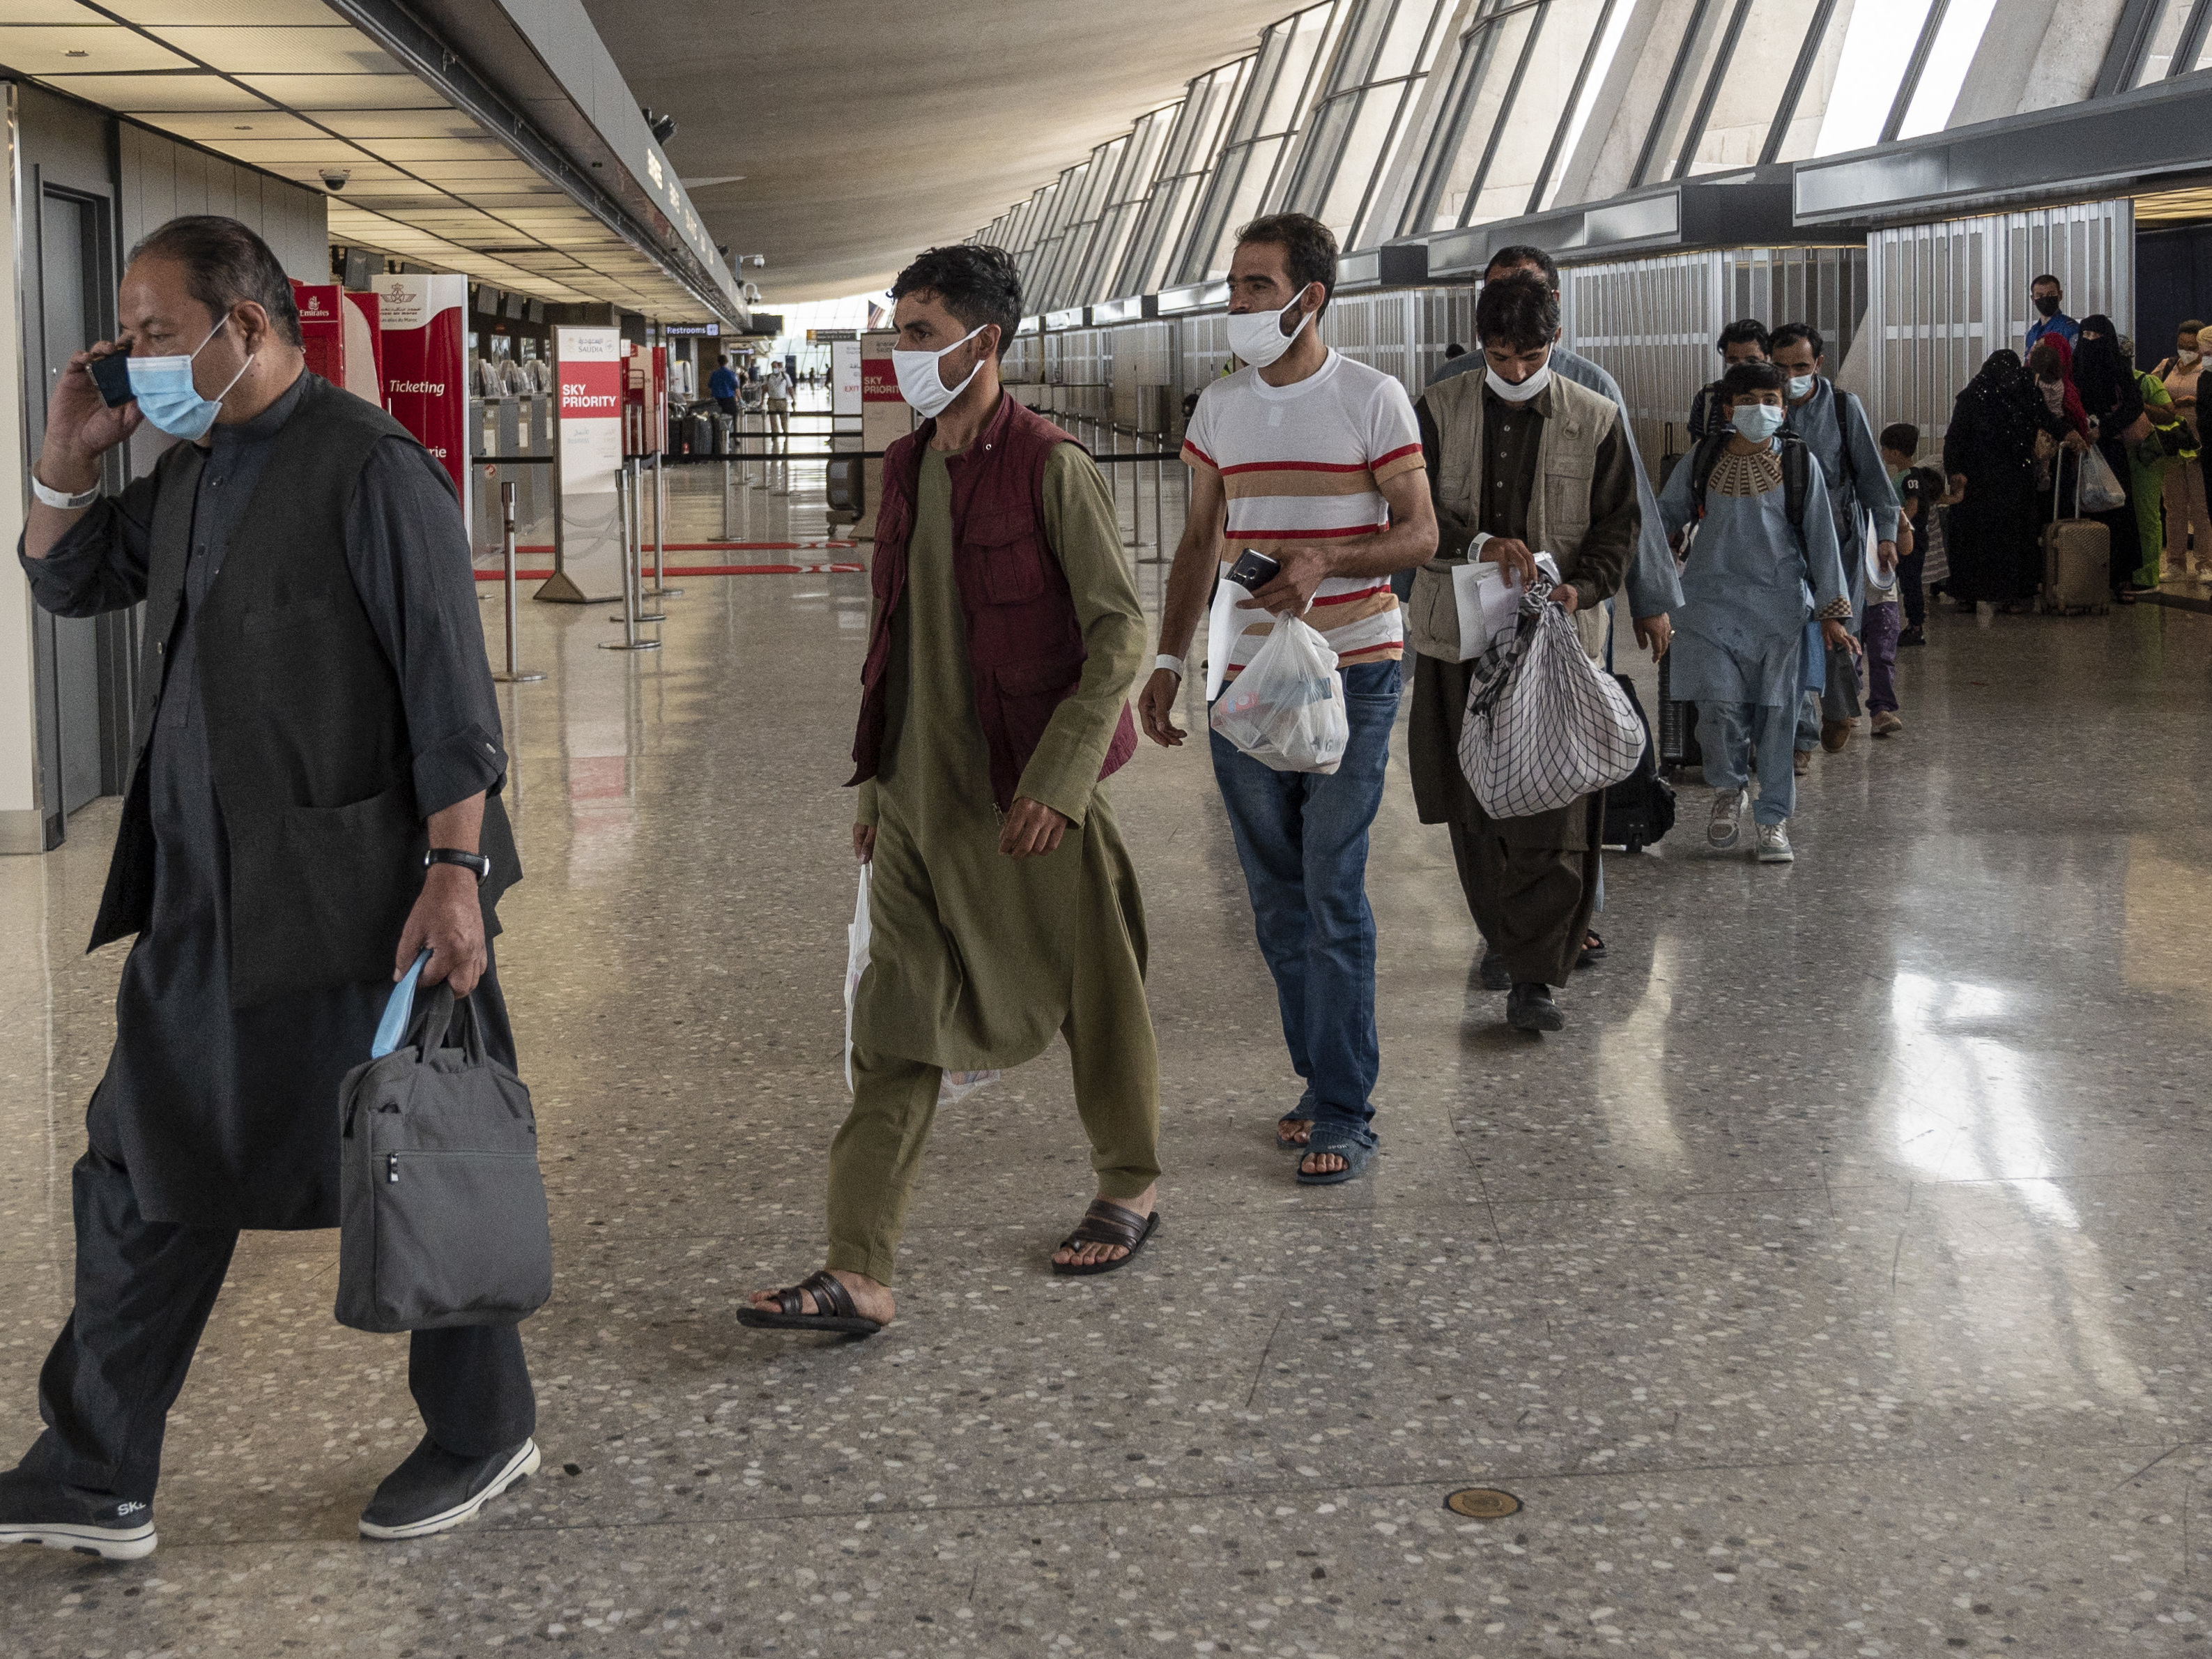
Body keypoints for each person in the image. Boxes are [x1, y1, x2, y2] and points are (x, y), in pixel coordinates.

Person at [0, 216, 535, 1559]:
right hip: (206, 902)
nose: (137, 359)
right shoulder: (192, 472)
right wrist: (67, 455)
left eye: (159, 333)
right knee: (145, 1161)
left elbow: (451, 692)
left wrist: (455, 872)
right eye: (128, 336)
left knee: (419, 1150)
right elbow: (68, 578)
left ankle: (483, 1431)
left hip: (368, 903)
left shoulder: (371, 468)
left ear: (245, 324)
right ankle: (94, 1469)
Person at [742, 246, 1161, 1336]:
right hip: (915, 802)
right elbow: (891, 638)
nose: (902, 354)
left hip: (1028, 791)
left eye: (921, 334)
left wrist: (1061, 780)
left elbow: (1119, 634)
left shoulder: (1050, 467)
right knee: (892, 1021)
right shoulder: (905, 466)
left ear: (986, 342)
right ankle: (858, 1268)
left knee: (1097, 996)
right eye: (899, 332)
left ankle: (1129, 1182)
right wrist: (874, 792)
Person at [1137, 212, 1437, 1184]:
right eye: (1233, 285)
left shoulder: (1369, 397)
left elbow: (1420, 531)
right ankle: (1318, 1080)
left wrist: (1326, 559)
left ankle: (1346, 1107)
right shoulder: (1219, 408)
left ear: (1310, 297)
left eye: (1256, 286)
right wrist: (1170, 659)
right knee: (1274, 898)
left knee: (1331, 884)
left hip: (1354, 669)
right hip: (1244, 678)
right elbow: (1200, 542)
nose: (1237, 302)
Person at [1408, 273, 1636, 1030]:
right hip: (1459, 640)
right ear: (1481, 344)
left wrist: (1582, 587)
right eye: (1500, 357)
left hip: (1555, 644)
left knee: (1554, 808)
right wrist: (1476, 542)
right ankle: (1504, 941)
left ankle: (1534, 978)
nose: (1515, 371)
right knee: (1473, 806)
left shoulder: (1595, 419)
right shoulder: (1437, 409)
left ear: (1556, 342)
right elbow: (1407, 510)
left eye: (1531, 357)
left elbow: (1618, 526)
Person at [1658, 360, 1852, 863]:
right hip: (1708, 608)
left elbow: (1822, 539)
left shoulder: (1799, 463)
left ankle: (1773, 820)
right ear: (1728, 410)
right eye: (1748, 401)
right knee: (1717, 709)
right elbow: (1662, 517)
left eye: (1771, 401)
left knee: (1778, 718)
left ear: (1784, 410)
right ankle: (1728, 790)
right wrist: (1648, 587)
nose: (1760, 409)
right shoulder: (1702, 458)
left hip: (1779, 611)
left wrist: (1832, 612)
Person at [1769, 322, 1897, 765]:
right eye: (1781, 368)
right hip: (1783, 542)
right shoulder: (1764, 408)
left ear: (1819, 364)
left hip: (1840, 540)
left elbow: (1872, 476)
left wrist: (1887, 534)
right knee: (1791, 635)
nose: (1790, 377)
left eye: (1800, 367)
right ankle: (1800, 736)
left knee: (1838, 624)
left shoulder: (1843, 407)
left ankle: (1839, 709)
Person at [1945, 350, 2055, 611]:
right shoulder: (1976, 397)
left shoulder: (2022, 395)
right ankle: (1988, 593)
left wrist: (2070, 433)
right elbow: (1956, 438)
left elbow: (2047, 420)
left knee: (1991, 537)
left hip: (2001, 478)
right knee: (1996, 537)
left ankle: (1996, 594)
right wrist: (1955, 471)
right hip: (1987, 479)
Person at [2071, 316, 2147, 600]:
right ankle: (2082, 576)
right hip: (2080, 446)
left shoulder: (2119, 369)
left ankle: (2122, 577)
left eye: (2096, 336)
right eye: (2085, 335)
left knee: (2117, 510)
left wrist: (2105, 428)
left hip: (2110, 447)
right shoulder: (2074, 367)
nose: (2090, 341)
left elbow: (2134, 405)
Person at [2121, 333, 2183, 591]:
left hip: (2145, 458)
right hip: (2118, 457)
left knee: (2146, 515)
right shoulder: (2099, 382)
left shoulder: (2146, 382)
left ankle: (2147, 575)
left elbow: (2169, 414)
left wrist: (2139, 405)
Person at [1878, 422, 1946, 654]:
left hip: (1910, 541)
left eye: (1885, 449)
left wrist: (1897, 527)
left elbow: (1913, 507)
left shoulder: (1910, 478)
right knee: (1904, 583)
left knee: (1911, 584)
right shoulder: (1905, 476)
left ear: (1896, 453)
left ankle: (1916, 627)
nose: (1883, 453)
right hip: (1904, 540)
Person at [2153, 321, 2207, 581]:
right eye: (2181, 346)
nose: (2186, 351)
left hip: (2200, 446)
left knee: (2201, 506)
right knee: (2173, 506)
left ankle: (2205, 563)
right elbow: (2150, 393)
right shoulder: (2167, 366)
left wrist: (2196, 401)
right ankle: (2175, 563)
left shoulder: (2208, 368)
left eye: (2192, 347)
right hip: (2172, 446)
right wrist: (2168, 405)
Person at [1687, 319, 1772, 441]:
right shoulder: (1708, 397)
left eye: (1751, 360)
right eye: (1733, 360)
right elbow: (1698, 447)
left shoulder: (1778, 398)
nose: (1741, 366)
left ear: (1767, 358)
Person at [2025, 274, 2079, 355]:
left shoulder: (2069, 329)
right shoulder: (2032, 333)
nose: (2046, 299)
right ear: (2033, 299)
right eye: (2040, 296)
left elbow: (2075, 360)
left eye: (2051, 294)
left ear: (2060, 296)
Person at [764, 361, 792, 450]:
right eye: (773, 367)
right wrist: (762, 401)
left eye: (775, 367)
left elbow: (790, 388)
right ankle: (775, 434)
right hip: (772, 401)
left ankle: (785, 432)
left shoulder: (785, 376)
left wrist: (793, 399)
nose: (774, 369)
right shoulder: (769, 377)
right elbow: (765, 389)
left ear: (779, 367)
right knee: (773, 419)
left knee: (784, 419)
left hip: (782, 401)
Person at [709, 353, 740, 418]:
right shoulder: (731, 374)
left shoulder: (714, 374)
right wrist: (740, 399)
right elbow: (736, 389)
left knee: (716, 420)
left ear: (718, 362)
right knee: (732, 419)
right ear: (726, 362)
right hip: (729, 401)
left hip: (716, 402)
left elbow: (710, 387)